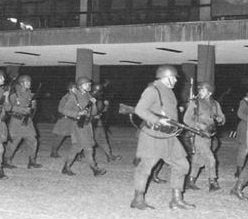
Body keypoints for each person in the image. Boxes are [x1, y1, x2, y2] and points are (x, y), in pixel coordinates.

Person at [131, 65, 194, 211]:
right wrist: (157, 120)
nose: (176, 81)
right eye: (173, 78)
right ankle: (138, 200)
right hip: (153, 136)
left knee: (182, 164)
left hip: (168, 136)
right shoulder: (153, 90)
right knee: (145, 167)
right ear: (166, 77)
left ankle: (176, 200)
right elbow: (139, 109)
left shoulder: (169, 91)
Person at [183, 81, 225, 192]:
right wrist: (196, 125)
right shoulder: (194, 103)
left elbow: (222, 118)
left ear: (210, 92)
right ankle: (212, 183)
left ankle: (190, 181)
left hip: (209, 136)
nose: (200, 92)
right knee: (211, 159)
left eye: (203, 90)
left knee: (197, 159)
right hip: (197, 135)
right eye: (200, 89)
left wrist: (220, 120)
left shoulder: (215, 104)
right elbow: (186, 119)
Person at [60, 76, 106, 177]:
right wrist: (78, 113)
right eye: (87, 84)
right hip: (78, 125)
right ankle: (94, 168)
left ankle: (66, 167)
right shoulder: (74, 96)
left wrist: (94, 104)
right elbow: (64, 110)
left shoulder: (89, 95)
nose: (89, 85)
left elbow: (93, 113)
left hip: (87, 124)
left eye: (89, 84)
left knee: (77, 147)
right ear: (80, 86)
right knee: (88, 147)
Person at [3, 75, 42, 169]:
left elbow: (33, 110)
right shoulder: (14, 94)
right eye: (27, 82)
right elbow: (8, 107)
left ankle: (32, 161)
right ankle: (6, 161)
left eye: (29, 82)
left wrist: (33, 106)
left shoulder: (30, 94)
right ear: (21, 83)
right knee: (14, 142)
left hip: (28, 121)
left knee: (33, 140)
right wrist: (22, 109)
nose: (29, 84)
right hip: (16, 121)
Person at [91, 82, 121, 163]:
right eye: (100, 91)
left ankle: (109, 155)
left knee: (103, 139)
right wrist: (93, 116)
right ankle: (80, 155)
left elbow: (102, 110)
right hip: (91, 123)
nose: (101, 93)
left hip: (98, 123)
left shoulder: (99, 99)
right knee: (89, 141)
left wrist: (106, 105)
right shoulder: (90, 98)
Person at [50, 82, 77, 158]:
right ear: (70, 89)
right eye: (75, 88)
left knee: (77, 137)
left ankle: (77, 155)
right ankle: (53, 151)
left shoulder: (76, 97)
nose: (76, 90)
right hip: (65, 120)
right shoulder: (66, 98)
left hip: (74, 120)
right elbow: (60, 109)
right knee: (60, 137)